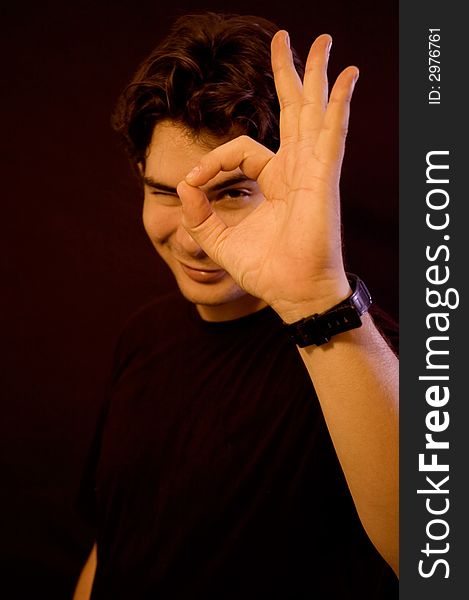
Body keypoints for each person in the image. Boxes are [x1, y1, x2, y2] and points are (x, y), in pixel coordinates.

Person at [74, 12, 399, 599]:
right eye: (164, 194)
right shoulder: (143, 337)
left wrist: (314, 296)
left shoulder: (367, 361)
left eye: (231, 193)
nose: (194, 236)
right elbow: (113, 541)